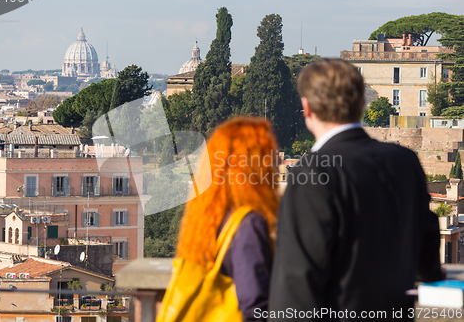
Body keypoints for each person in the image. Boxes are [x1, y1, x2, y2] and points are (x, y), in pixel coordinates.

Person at [269, 59, 443, 321]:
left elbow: (296, 284)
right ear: (362, 103)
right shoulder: (405, 161)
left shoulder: (312, 172)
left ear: (306, 108)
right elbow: (427, 255)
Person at [175, 117, 280, 321]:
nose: (276, 163)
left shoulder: (207, 218)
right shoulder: (248, 224)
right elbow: (255, 305)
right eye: (270, 155)